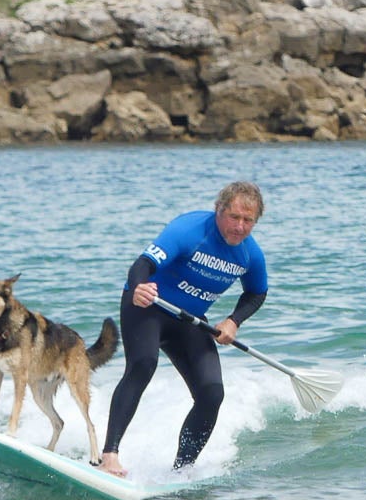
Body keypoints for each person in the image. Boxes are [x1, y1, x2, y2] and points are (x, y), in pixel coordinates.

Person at [98, 181, 268, 477]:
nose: (240, 227)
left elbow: (256, 293)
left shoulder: (250, 255)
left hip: (189, 319)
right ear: (219, 210)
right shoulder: (189, 230)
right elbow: (143, 264)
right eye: (234, 217)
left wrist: (233, 321)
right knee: (143, 364)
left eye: (248, 220)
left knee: (212, 393)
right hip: (148, 305)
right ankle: (109, 456)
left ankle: (181, 471)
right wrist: (139, 287)